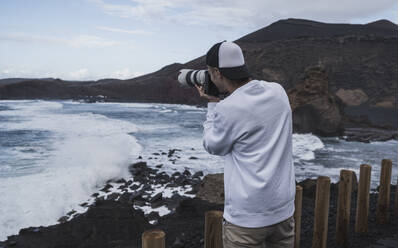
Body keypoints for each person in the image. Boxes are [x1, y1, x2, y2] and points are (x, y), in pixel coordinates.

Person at [195, 41, 296, 248]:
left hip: (247, 217)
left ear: (217, 73)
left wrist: (213, 104)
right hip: (283, 209)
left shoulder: (228, 108)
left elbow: (213, 145)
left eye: (209, 72)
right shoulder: (278, 92)